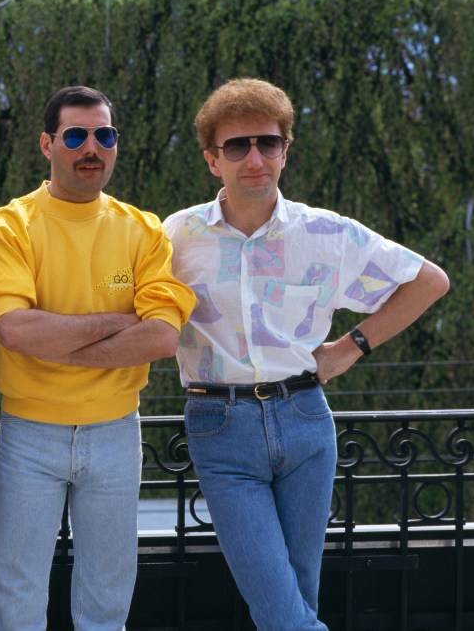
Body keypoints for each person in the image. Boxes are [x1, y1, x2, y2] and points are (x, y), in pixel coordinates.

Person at [163, 78, 450, 630]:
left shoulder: (327, 234)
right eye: (237, 146)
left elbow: (429, 281)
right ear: (211, 160)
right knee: (282, 611)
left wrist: (350, 347)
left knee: (298, 602)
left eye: (268, 143)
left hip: (306, 423)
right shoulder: (177, 236)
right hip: (220, 430)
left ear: (285, 151)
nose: (254, 157)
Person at [0, 86, 197, 631]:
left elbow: (163, 338)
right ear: (47, 144)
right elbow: (17, 332)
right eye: (75, 135)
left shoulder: (143, 229)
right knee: (18, 596)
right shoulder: (11, 224)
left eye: (104, 135)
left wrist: (58, 342)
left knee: (107, 597)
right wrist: (117, 325)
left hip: (116, 433)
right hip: (30, 434)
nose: (91, 147)